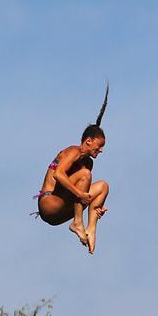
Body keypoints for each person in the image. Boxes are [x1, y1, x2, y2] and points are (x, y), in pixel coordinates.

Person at [35, 86, 110, 254]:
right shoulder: (73, 151)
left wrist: (94, 204)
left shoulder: (88, 162)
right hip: (49, 204)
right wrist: (80, 194)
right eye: (99, 146)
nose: (101, 150)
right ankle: (77, 223)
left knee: (103, 187)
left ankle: (91, 229)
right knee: (85, 175)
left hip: (62, 211)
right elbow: (58, 174)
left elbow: (82, 194)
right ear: (88, 141)